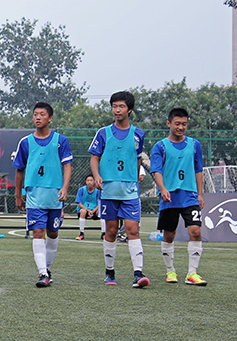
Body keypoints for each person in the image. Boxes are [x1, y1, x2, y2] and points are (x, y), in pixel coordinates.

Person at [89, 91, 149, 287]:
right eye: (114, 106)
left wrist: (137, 174)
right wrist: (97, 176)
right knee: (111, 231)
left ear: (129, 109)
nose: (117, 110)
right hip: (108, 191)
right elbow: (94, 157)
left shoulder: (138, 134)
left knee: (133, 230)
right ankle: (110, 272)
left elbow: (137, 158)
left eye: (121, 106)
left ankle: (138, 274)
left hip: (130, 191)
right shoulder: (103, 133)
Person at [13, 102, 73, 287]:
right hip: (34, 196)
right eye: (35, 114)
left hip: (54, 195)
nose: (37, 117)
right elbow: (19, 170)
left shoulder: (61, 140)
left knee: (53, 232)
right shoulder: (25, 142)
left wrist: (64, 187)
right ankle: (42, 274)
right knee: (38, 232)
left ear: (50, 118)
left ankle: (47, 269)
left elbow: (67, 166)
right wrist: (18, 194)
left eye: (42, 114)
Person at [149, 108, 206, 286]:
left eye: (184, 124)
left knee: (195, 231)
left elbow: (198, 170)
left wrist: (200, 194)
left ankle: (192, 273)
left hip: (189, 196)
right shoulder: (160, 146)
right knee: (169, 234)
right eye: (177, 124)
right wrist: (162, 189)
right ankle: (170, 271)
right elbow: (156, 170)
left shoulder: (195, 145)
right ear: (169, 124)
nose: (181, 127)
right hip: (169, 197)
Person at [75, 174, 103, 240]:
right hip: (84, 210)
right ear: (86, 182)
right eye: (88, 180)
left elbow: (100, 203)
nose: (89, 182)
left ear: (94, 181)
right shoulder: (81, 190)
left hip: (94, 210)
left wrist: (93, 211)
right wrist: (88, 210)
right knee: (83, 211)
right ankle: (81, 233)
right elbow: (79, 203)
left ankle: (104, 233)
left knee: (102, 211)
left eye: (91, 180)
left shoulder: (98, 191)